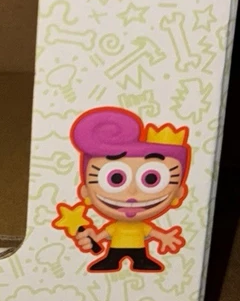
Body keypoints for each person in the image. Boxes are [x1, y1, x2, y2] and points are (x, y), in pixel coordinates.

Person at [67, 106, 189, 273]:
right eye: (115, 178)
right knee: (112, 259)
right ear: (85, 191)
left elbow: (152, 233)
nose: (132, 192)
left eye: (152, 179)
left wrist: (165, 237)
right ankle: (112, 261)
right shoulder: (115, 227)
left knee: (141, 259)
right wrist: (92, 238)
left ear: (179, 193)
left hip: (140, 249)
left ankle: (140, 261)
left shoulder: (141, 226)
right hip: (114, 249)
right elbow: (103, 235)